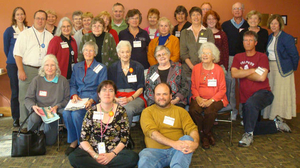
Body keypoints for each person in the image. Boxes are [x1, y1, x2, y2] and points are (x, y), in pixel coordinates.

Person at [231, 31, 291, 147]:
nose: (247, 43)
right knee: (251, 125)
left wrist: (242, 72)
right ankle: (276, 125)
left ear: (256, 42)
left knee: (251, 106)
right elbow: (234, 74)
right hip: (246, 99)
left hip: (264, 94)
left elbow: (261, 77)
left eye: (250, 40)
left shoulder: (262, 57)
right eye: (245, 40)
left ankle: (248, 136)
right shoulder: (238, 57)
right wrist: (253, 70)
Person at [68, 80, 139, 168]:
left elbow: (125, 138)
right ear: (99, 94)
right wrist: (95, 155)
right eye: (104, 90)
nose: (107, 93)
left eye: (111, 90)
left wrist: (111, 155)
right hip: (93, 151)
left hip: (114, 152)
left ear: (114, 95)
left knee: (132, 158)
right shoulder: (91, 111)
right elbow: (83, 138)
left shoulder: (121, 111)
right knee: (73, 157)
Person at [139, 83, 199, 168]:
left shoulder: (181, 111)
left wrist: (196, 143)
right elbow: (152, 133)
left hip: (178, 151)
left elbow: (192, 129)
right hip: (155, 151)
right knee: (144, 157)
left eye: (165, 94)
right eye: (158, 94)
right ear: (154, 96)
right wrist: (173, 143)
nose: (161, 97)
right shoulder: (147, 112)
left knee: (188, 139)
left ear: (171, 96)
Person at [63, 41, 107, 155]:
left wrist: (92, 100)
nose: (88, 52)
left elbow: (101, 88)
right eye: (86, 50)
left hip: (92, 99)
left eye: (91, 50)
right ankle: (74, 140)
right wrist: (74, 95)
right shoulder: (77, 67)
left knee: (76, 115)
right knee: (66, 113)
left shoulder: (101, 68)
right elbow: (72, 84)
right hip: (78, 98)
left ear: (95, 53)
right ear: (82, 52)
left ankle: (82, 142)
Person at [14, 10, 53, 128]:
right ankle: (25, 125)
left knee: (43, 97)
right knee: (25, 98)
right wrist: (21, 70)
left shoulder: (49, 36)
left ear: (46, 21)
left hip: (44, 71)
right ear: (33, 19)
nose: (40, 21)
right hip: (27, 69)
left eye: (42, 19)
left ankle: (39, 125)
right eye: (38, 18)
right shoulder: (25, 34)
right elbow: (17, 54)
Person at [188, 42, 228, 149]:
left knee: (209, 111)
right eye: (203, 53)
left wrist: (211, 100)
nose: (204, 55)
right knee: (193, 110)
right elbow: (193, 87)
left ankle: (204, 135)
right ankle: (207, 133)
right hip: (199, 97)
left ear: (213, 56)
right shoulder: (196, 68)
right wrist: (198, 98)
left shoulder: (218, 69)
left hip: (216, 99)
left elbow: (222, 89)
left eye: (208, 54)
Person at [24, 55, 69, 145]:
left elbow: (67, 99)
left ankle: (46, 131)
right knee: (34, 119)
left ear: (56, 66)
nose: (49, 68)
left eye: (52, 65)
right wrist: (33, 106)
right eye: (47, 65)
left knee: (49, 142)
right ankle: (31, 137)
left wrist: (57, 106)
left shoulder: (63, 81)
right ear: (43, 67)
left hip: (53, 112)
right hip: (39, 110)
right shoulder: (36, 80)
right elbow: (28, 98)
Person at [263, 14, 299, 120]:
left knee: (280, 93)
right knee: (272, 91)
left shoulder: (287, 37)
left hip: (283, 70)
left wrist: (291, 68)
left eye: (276, 23)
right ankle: (271, 115)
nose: (273, 25)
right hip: (271, 69)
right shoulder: (270, 37)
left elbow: (294, 55)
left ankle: (280, 116)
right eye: (271, 23)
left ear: (280, 25)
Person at [108, 41, 146, 127]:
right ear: (118, 54)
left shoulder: (138, 66)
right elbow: (109, 87)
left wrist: (129, 99)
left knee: (127, 108)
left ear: (130, 53)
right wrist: (115, 99)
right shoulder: (112, 68)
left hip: (135, 97)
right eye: (122, 52)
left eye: (127, 51)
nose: (125, 54)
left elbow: (141, 88)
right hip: (117, 97)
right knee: (108, 107)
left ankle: (124, 135)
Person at [221, 2, 249, 120]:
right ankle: (233, 110)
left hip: (244, 58)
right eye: (235, 9)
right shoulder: (226, 25)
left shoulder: (248, 25)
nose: (237, 11)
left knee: (244, 86)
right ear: (232, 11)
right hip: (230, 58)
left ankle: (244, 111)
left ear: (243, 10)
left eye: (239, 9)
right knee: (231, 86)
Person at [3, 7, 28, 127]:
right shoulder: (9, 31)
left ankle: (27, 116)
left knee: (27, 91)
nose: (20, 16)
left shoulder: (28, 30)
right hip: (13, 65)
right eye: (17, 14)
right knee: (16, 91)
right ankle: (16, 117)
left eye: (22, 14)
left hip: (26, 64)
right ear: (14, 16)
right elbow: (6, 48)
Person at [180, 6, 215, 79]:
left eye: (198, 14)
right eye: (193, 15)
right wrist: (193, 67)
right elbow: (183, 53)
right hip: (188, 70)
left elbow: (211, 50)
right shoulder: (184, 32)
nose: (196, 17)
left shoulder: (208, 32)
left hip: (205, 68)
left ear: (202, 16)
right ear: (190, 17)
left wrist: (202, 67)